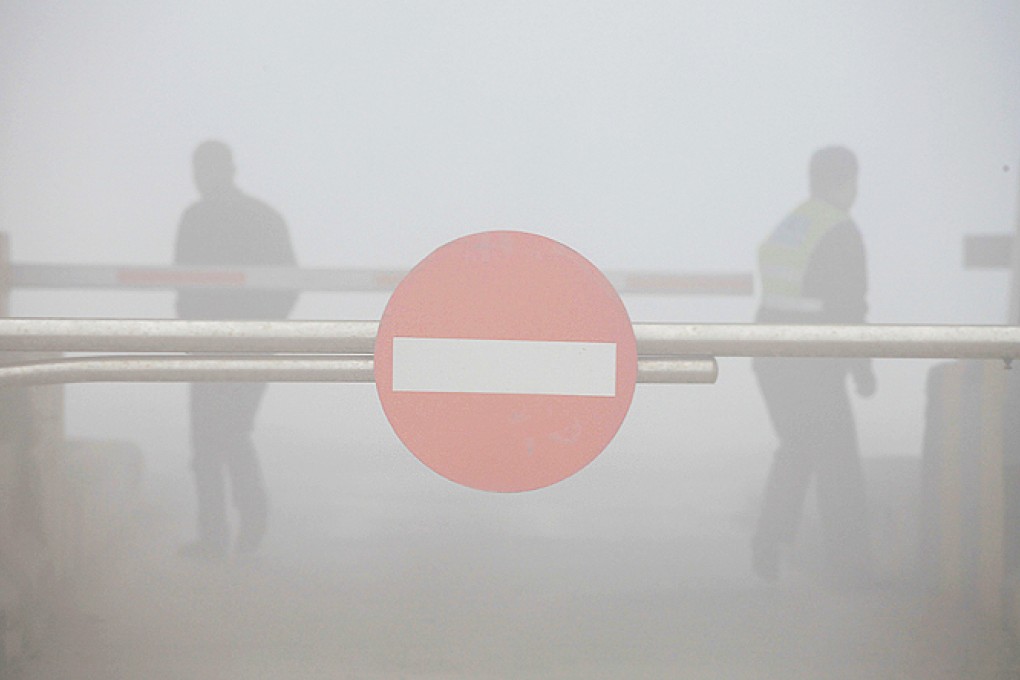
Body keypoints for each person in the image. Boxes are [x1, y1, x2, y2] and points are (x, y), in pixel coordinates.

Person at [751, 146, 876, 586]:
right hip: (812, 360)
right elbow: (848, 307)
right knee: (838, 459)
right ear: (844, 181)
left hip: (772, 355)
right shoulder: (840, 230)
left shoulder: (794, 224)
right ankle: (849, 563)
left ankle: (769, 540)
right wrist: (863, 370)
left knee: (798, 446)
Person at [175, 140, 297, 560]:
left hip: (224, 342)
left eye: (203, 169)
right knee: (220, 435)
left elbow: (183, 287)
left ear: (225, 170)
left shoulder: (200, 219)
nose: (200, 178)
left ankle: (231, 527)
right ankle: (236, 524)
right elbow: (288, 286)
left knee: (217, 435)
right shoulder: (260, 217)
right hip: (237, 342)